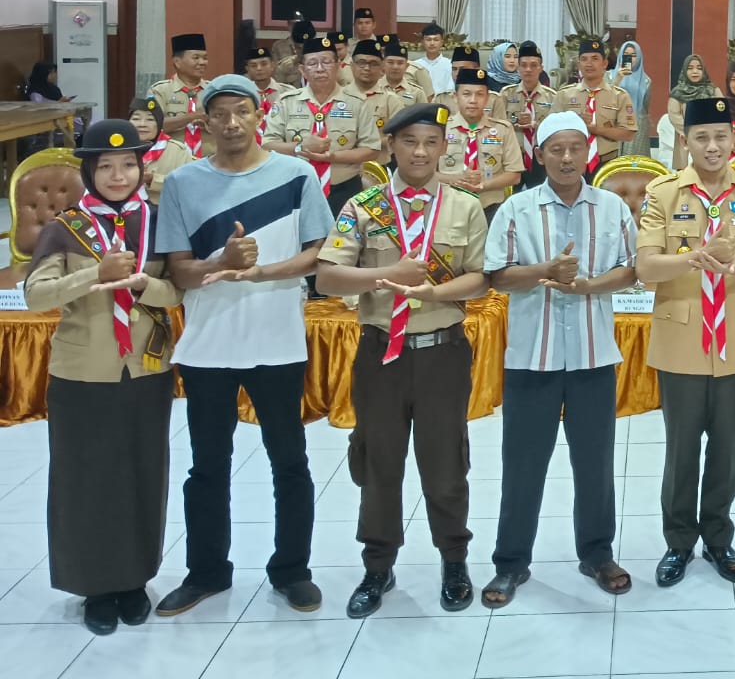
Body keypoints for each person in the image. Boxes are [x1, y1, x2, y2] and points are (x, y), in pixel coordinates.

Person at [153, 74, 333, 617]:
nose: (232, 123)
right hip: (208, 347)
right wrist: (222, 263)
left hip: (278, 340)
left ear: (260, 115)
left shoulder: (296, 175)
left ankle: (292, 572)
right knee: (207, 467)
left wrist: (261, 272)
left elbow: (319, 254)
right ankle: (206, 572)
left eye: (242, 112)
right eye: (220, 114)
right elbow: (178, 271)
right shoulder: (182, 183)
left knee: (290, 462)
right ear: (205, 120)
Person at [315, 103, 490, 618]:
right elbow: (327, 276)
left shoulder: (463, 207)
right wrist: (386, 276)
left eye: (431, 142)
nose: (420, 152)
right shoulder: (364, 205)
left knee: (446, 463)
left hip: (443, 352)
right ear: (390, 145)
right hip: (380, 354)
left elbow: (480, 278)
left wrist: (432, 293)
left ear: (443, 148)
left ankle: (454, 560)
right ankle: (378, 566)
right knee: (378, 462)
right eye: (409, 141)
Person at [23, 118, 182, 635]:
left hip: (147, 368)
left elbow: (177, 291)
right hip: (82, 373)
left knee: (143, 472)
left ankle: (134, 580)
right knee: (85, 478)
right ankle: (94, 585)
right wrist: (96, 274)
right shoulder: (66, 227)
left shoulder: (157, 223)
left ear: (141, 168)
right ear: (89, 171)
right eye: (106, 166)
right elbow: (36, 295)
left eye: (128, 164)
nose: (118, 175)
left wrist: (140, 285)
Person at [482, 111, 639, 605]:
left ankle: (597, 554)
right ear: (539, 154)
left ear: (588, 152)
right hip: (533, 356)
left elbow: (631, 269)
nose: (567, 158)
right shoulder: (517, 209)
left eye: (575, 148)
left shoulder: (612, 207)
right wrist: (544, 271)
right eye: (556, 149)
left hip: (593, 356)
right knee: (523, 465)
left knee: (595, 463)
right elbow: (497, 275)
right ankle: (511, 563)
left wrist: (588, 285)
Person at [636, 97, 735, 586]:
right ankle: (679, 542)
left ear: (733, 139)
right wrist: (695, 258)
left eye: (721, 136)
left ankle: (719, 539)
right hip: (682, 336)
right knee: (681, 450)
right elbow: (646, 266)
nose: (713, 146)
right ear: (686, 142)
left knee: (726, 447)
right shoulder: (664, 192)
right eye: (702, 137)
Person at [262, 35, 382, 218]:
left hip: (345, 189)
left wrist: (334, 157)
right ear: (302, 70)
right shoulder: (287, 102)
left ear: (338, 65)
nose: (320, 68)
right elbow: (267, 145)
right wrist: (300, 147)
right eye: (312, 63)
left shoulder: (357, 102)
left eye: (326, 62)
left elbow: (371, 149)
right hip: (296, 187)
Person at [440, 67, 523, 224]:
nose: (473, 100)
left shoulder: (502, 129)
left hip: (490, 207)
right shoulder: (441, 129)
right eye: (466, 94)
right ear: (455, 97)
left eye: (479, 94)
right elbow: (428, 173)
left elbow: (515, 175)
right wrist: (457, 179)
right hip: (447, 206)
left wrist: (483, 185)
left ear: (487, 98)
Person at [555, 37, 638, 178]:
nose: (589, 64)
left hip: (607, 164)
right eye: (584, 59)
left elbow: (628, 134)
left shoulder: (619, 96)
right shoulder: (564, 95)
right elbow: (551, 130)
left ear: (604, 63)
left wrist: (597, 130)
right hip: (570, 163)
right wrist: (575, 122)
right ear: (578, 64)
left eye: (595, 59)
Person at [502, 41, 559, 189]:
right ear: (518, 67)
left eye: (534, 65)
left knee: (542, 195)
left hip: (541, 157)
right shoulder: (506, 94)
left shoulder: (552, 96)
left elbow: (556, 129)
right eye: (524, 65)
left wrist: (535, 124)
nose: (528, 69)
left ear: (541, 68)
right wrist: (515, 120)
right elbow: (498, 125)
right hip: (513, 155)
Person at [149, 33, 211, 159]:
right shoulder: (160, 91)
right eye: (196, 58)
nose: (202, 62)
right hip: (172, 160)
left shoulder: (214, 90)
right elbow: (153, 126)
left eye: (205, 58)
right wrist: (192, 117)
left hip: (209, 160)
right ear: (177, 62)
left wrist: (210, 123)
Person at [128, 94, 191, 204]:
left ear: (159, 124)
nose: (142, 124)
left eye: (150, 119)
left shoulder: (178, 151)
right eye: (136, 119)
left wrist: (153, 180)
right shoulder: (118, 151)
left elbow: (188, 184)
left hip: (164, 210)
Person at [667, 53, 721, 168]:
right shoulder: (678, 92)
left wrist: (706, 130)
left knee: (708, 167)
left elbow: (721, 112)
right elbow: (674, 116)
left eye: (699, 68)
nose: (695, 71)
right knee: (684, 172)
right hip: (685, 136)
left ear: (704, 71)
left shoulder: (713, 91)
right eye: (690, 68)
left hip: (709, 136)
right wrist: (691, 131)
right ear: (685, 71)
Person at [610, 40, 653, 156]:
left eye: (633, 55)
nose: (630, 58)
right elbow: (606, 98)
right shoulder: (609, 76)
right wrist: (618, 79)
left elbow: (645, 107)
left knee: (634, 162)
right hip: (614, 124)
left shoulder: (646, 81)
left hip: (637, 127)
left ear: (639, 58)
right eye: (626, 55)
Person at [244, 45, 298, 135]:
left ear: (273, 66)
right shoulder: (243, 95)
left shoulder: (288, 92)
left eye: (264, 64)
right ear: (247, 69)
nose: (259, 68)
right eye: (253, 65)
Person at [377, 38, 426, 110]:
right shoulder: (373, 88)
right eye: (390, 62)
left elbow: (424, 115)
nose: (395, 67)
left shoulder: (417, 92)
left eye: (400, 63)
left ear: (406, 66)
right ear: (383, 64)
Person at [413, 22, 454, 96]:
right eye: (428, 40)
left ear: (442, 42)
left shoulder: (450, 65)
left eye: (436, 40)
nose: (432, 43)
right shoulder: (415, 65)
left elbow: (451, 90)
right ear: (422, 42)